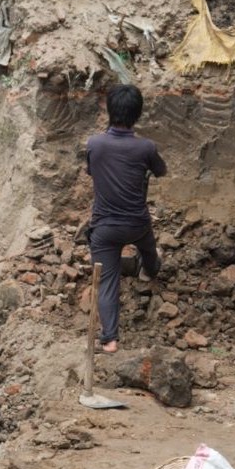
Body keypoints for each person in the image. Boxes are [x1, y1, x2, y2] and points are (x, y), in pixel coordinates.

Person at [84, 83, 166, 354]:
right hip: (137, 224)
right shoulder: (146, 147)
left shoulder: (95, 144)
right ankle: (150, 270)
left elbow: (91, 171)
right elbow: (161, 171)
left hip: (105, 228)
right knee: (149, 249)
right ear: (137, 114)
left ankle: (110, 339)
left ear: (109, 111)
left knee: (107, 280)